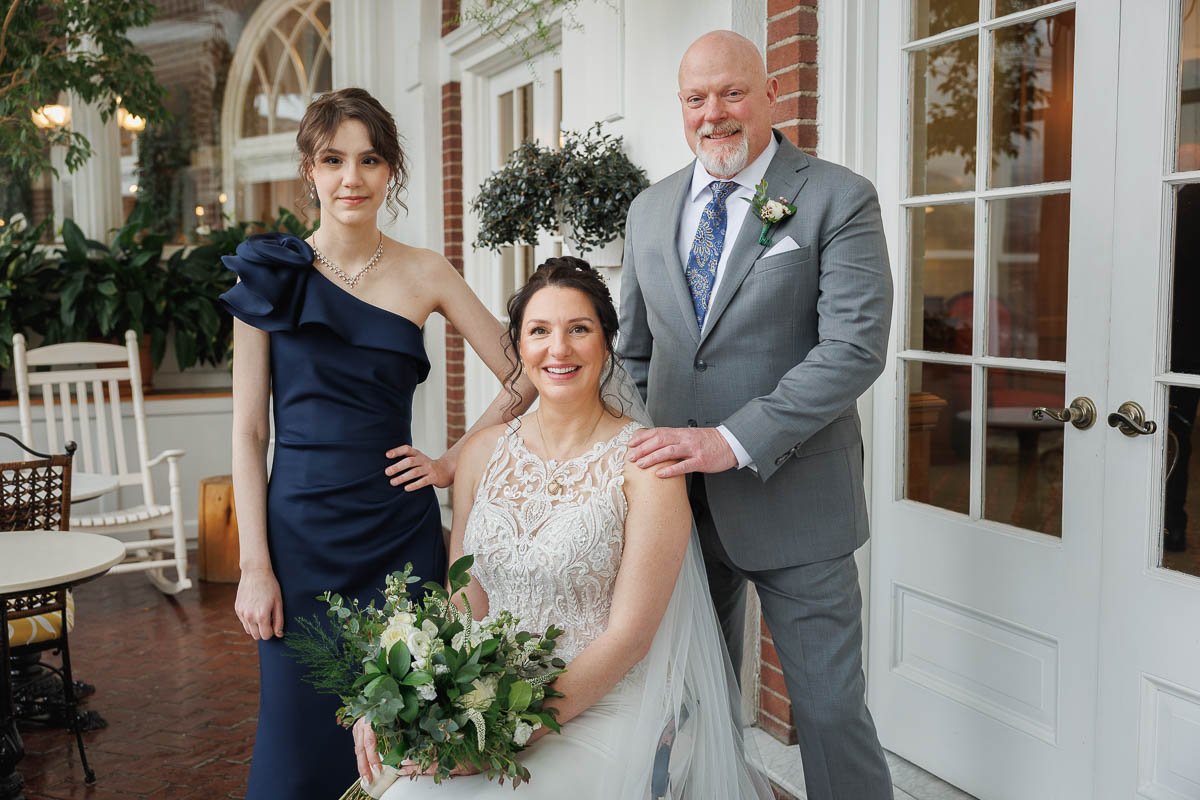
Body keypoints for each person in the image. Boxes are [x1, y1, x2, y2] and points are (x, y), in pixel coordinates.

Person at [354, 257, 774, 798]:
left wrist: (508, 731)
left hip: (604, 705)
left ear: (606, 344)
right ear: (520, 348)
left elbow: (630, 638)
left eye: (579, 329)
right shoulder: (480, 455)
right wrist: (409, 701)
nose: (559, 349)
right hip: (487, 699)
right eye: (539, 331)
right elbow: (464, 605)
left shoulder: (646, 467)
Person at [221, 88, 533, 799]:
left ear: (391, 170)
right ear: (309, 168)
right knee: (296, 749)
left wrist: (452, 459)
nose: (350, 178)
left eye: (369, 160)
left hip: (398, 531)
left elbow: (522, 377)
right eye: (333, 160)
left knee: (405, 738)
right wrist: (253, 565)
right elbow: (248, 430)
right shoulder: (266, 274)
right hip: (298, 542)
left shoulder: (425, 271)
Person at [617, 31, 895, 799]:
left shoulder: (839, 196)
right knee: (674, 708)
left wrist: (730, 440)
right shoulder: (647, 210)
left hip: (797, 503)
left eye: (732, 92)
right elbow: (635, 355)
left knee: (831, 714)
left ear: (771, 93)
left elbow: (854, 349)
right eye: (696, 99)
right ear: (681, 109)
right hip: (675, 509)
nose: (715, 114)